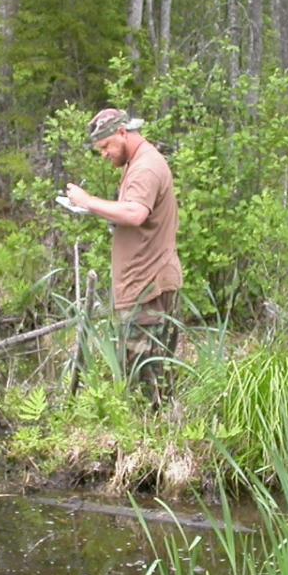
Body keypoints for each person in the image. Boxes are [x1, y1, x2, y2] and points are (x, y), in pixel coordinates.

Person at [64, 108, 183, 401]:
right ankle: (153, 434)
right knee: (147, 379)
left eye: (105, 147)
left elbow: (135, 212)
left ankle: (152, 440)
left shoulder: (145, 167)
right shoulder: (138, 162)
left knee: (147, 383)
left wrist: (89, 202)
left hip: (148, 289)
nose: (103, 155)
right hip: (142, 286)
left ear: (122, 133)